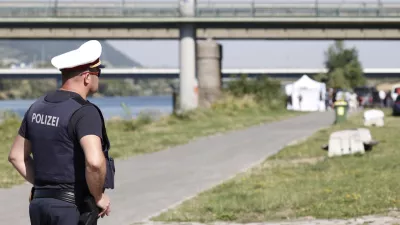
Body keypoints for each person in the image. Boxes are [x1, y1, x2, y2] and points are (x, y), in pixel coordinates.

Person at [8, 40, 115, 225]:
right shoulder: (85, 112)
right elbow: (95, 162)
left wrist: (45, 188)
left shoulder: (37, 107)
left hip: (39, 205)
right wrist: (98, 197)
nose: (99, 77)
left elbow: (16, 156)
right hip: (72, 208)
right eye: (98, 72)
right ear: (87, 77)